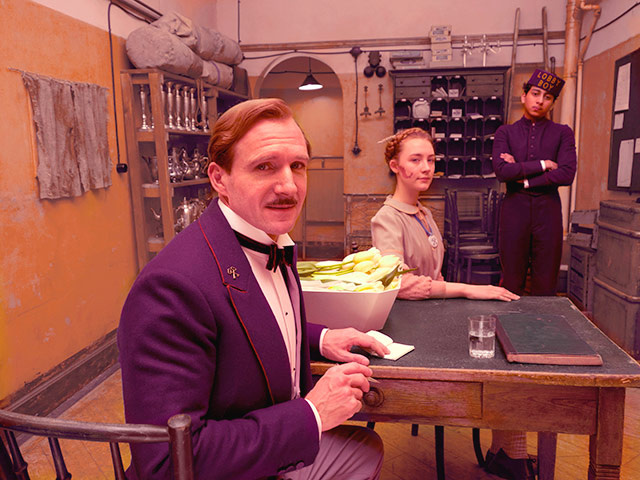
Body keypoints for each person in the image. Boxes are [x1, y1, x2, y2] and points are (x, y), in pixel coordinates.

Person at [118, 98, 390, 480]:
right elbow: (168, 463)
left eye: (298, 166)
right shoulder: (170, 288)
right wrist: (312, 414)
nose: (289, 186)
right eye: (265, 166)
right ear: (219, 179)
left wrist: (320, 337)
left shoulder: (268, 238)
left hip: (265, 442)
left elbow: (250, 319)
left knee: (364, 449)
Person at [371, 127, 519, 302]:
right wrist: (466, 289)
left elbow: (435, 276)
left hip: (431, 310)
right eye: (415, 160)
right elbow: (395, 280)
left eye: (431, 160)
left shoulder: (424, 214)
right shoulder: (387, 219)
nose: (426, 168)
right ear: (395, 166)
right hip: (406, 314)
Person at [492, 68, 577, 296]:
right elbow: (502, 172)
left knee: (546, 282)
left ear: (552, 103)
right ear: (524, 96)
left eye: (547, 97)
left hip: (548, 211)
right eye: (535, 94)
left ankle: (543, 320)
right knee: (511, 281)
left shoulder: (562, 133)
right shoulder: (505, 132)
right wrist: (543, 164)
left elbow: (567, 174)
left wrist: (524, 179)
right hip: (514, 211)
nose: (540, 101)